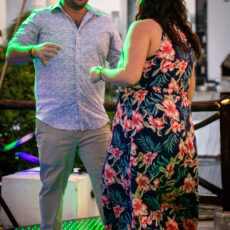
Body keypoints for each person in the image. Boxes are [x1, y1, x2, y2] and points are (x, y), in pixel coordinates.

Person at [6, 0, 122, 229]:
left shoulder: (105, 22)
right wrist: (33, 50)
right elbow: (11, 52)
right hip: (53, 121)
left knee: (109, 188)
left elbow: (121, 64)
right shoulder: (40, 18)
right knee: (51, 190)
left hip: (95, 122)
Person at [90, 0, 202, 229]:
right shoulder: (185, 35)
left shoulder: (143, 27)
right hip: (180, 132)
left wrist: (100, 72)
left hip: (144, 132)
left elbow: (130, 76)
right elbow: (188, 91)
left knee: (139, 197)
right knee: (174, 202)